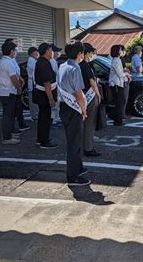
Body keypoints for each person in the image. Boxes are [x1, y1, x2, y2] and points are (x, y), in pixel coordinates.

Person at [58, 41, 90, 186]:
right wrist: (83, 110)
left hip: (64, 107)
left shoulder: (62, 66)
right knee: (74, 143)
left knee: (73, 140)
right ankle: (73, 176)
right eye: (82, 53)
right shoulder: (75, 68)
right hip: (74, 108)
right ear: (79, 54)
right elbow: (78, 93)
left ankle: (78, 167)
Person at [33, 43, 59, 149]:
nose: (52, 52)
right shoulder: (43, 63)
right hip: (44, 95)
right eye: (50, 50)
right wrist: (51, 99)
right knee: (45, 118)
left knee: (43, 117)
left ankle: (41, 139)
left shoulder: (43, 62)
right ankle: (44, 141)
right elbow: (47, 84)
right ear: (46, 51)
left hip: (43, 94)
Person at [0, 41, 24, 145]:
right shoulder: (8, 63)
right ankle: (7, 137)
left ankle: (9, 132)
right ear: (11, 51)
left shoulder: (2, 61)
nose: (15, 52)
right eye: (14, 50)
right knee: (8, 116)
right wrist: (19, 87)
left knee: (9, 114)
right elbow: (13, 78)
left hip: (4, 91)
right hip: (8, 92)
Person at [80, 43, 102, 157]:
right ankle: (88, 148)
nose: (92, 55)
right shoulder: (85, 65)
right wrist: (99, 95)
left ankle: (83, 146)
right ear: (86, 53)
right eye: (91, 53)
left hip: (81, 97)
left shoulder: (78, 64)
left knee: (84, 124)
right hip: (89, 97)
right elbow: (92, 83)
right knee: (90, 124)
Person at [4, 39, 29, 134]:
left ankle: (19, 124)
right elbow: (12, 75)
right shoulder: (7, 61)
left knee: (18, 108)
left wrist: (20, 78)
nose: (16, 50)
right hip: (10, 89)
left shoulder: (11, 60)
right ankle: (10, 131)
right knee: (11, 111)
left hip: (14, 87)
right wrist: (18, 86)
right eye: (14, 48)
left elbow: (15, 71)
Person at [109, 45, 127, 126]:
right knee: (120, 102)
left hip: (118, 84)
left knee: (121, 101)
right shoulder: (116, 61)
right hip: (116, 84)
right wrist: (126, 74)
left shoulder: (117, 60)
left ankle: (115, 117)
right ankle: (117, 120)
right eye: (120, 50)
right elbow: (120, 74)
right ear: (116, 51)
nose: (121, 51)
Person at [50, 44, 62, 125]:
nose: (59, 53)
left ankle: (55, 118)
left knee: (56, 103)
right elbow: (54, 75)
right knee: (55, 104)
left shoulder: (54, 61)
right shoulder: (52, 61)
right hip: (54, 86)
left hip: (55, 85)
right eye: (57, 51)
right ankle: (54, 120)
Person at [27, 46, 39, 122]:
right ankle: (34, 116)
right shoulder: (32, 60)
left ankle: (35, 115)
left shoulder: (33, 60)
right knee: (33, 102)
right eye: (35, 52)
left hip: (34, 83)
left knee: (35, 101)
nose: (37, 53)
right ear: (31, 53)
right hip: (33, 84)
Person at [119, 45, 132, 120]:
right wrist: (128, 74)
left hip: (124, 80)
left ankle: (123, 113)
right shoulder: (118, 59)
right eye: (122, 50)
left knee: (124, 98)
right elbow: (121, 71)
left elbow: (124, 68)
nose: (124, 52)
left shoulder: (121, 59)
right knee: (124, 98)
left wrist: (127, 71)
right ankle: (122, 114)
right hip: (123, 81)